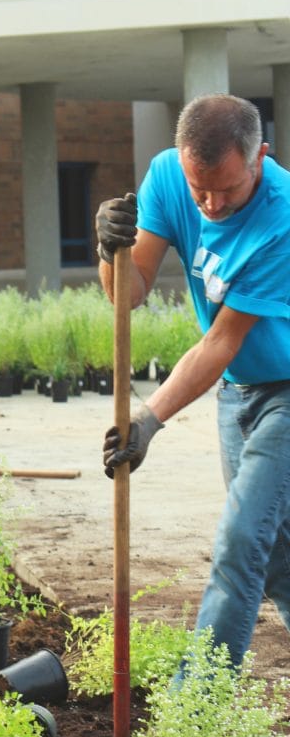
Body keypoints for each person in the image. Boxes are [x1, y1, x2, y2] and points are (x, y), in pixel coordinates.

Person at [96, 92, 290, 670]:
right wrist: (109, 249)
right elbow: (126, 296)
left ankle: (195, 703)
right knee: (276, 553)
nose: (209, 202)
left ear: (261, 157)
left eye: (226, 189)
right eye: (198, 187)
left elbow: (222, 339)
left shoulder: (282, 217)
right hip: (238, 393)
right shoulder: (166, 176)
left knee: (240, 540)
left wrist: (148, 418)